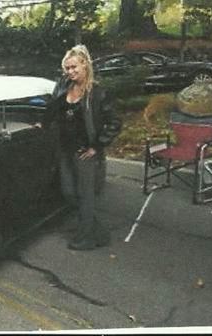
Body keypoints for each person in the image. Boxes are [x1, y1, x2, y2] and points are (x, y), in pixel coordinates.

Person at [51, 44, 122, 250]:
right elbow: (54, 110)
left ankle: (86, 237)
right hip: (65, 148)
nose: (70, 72)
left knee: (85, 195)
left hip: (85, 151)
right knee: (68, 193)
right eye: (67, 68)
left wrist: (97, 146)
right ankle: (98, 232)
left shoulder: (98, 93)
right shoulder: (64, 87)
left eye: (74, 67)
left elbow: (115, 122)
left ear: (85, 65)